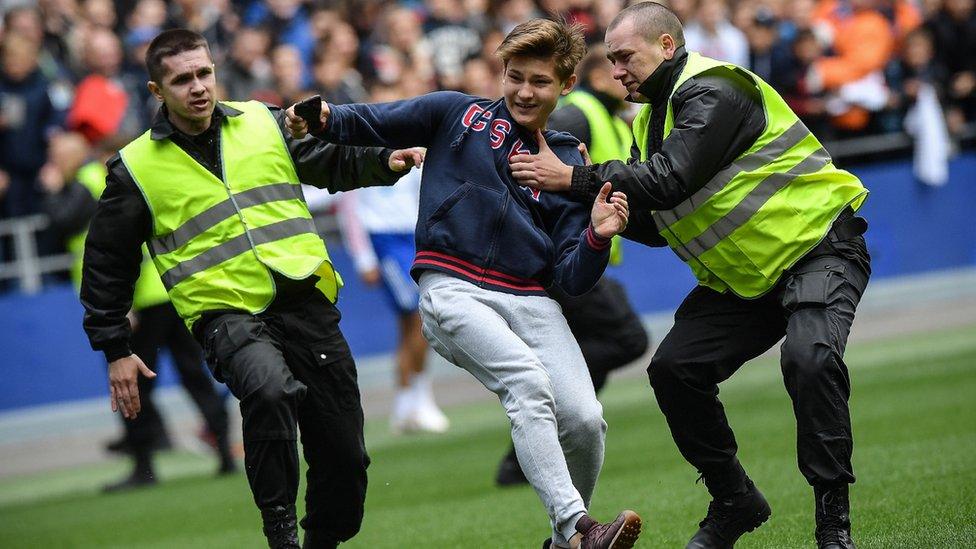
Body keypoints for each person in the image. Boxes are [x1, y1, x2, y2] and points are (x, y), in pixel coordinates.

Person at [509, 4, 871, 549]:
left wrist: (574, 179)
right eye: (611, 60)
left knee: (810, 358)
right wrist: (605, 213)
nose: (618, 70)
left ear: (667, 47)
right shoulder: (651, 121)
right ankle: (734, 500)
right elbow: (658, 223)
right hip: (745, 283)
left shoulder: (715, 90)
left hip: (818, 248)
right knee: (675, 370)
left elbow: (669, 179)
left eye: (626, 56)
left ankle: (832, 525)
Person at [287, 18, 642, 549]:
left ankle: (562, 540)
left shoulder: (568, 162)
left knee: (587, 419)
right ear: (502, 72)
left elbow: (572, 279)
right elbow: (369, 121)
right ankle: (578, 529)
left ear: (565, 85)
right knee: (527, 383)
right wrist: (320, 118)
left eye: (540, 82)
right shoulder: (457, 113)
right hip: (452, 288)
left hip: (533, 299)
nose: (524, 91)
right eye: (515, 76)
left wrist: (595, 234)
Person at [79, 29, 423, 548]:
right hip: (224, 315)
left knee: (346, 456)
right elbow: (106, 262)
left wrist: (382, 163)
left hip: (305, 300)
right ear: (156, 91)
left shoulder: (264, 120)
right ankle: (280, 530)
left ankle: (320, 541)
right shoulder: (134, 169)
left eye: (203, 73)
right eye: (181, 79)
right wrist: (115, 346)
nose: (197, 87)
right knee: (268, 388)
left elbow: (327, 161)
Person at [41, 132, 236, 492]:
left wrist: (51, 190)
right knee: (194, 372)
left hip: (137, 302)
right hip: (164, 291)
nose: (52, 163)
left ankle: (143, 466)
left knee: (132, 383)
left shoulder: (86, 183)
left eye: (57, 155)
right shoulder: (104, 177)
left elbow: (61, 226)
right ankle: (226, 453)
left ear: (76, 154)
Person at [494, 44, 651, 487]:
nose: (625, 78)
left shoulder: (609, 117)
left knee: (591, 353)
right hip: (564, 261)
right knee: (627, 338)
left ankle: (524, 451)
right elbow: (536, 174)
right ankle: (538, 393)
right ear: (599, 78)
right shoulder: (575, 115)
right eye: (618, 71)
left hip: (584, 257)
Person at [337, 165, 450, 435]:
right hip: (384, 239)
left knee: (411, 324)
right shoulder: (362, 151)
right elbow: (349, 208)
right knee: (418, 317)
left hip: (412, 237)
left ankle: (406, 405)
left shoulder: (410, 145)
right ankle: (420, 400)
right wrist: (363, 256)